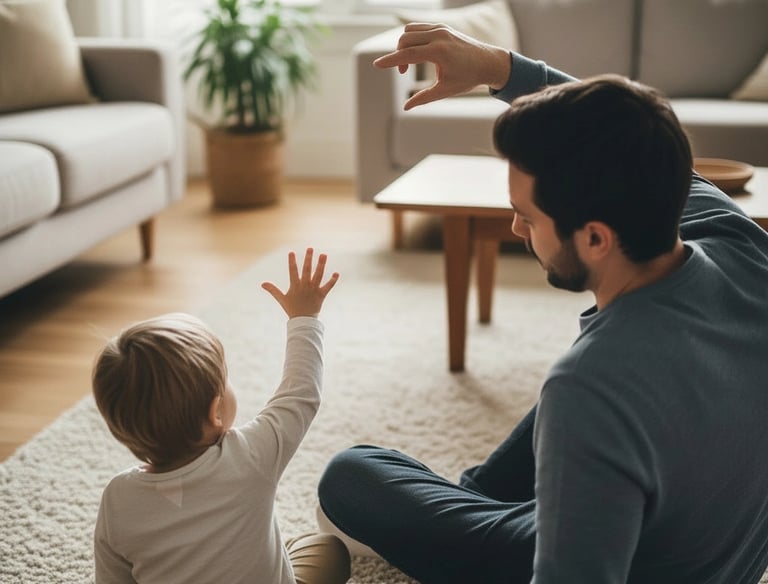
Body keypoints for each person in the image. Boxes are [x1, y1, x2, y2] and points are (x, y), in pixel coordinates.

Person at [316, 23, 768, 584]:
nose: (515, 228)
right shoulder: (737, 238)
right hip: (700, 536)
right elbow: (625, 128)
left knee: (351, 476)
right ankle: (479, 503)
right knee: (532, 454)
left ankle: (462, 531)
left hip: (630, 559)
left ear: (595, 238)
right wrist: (495, 67)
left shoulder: (591, 383)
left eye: (527, 217)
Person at [91, 248, 348, 584]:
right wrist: (304, 318)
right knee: (329, 550)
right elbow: (300, 394)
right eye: (226, 380)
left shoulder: (117, 500)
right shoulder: (250, 457)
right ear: (215, 412)